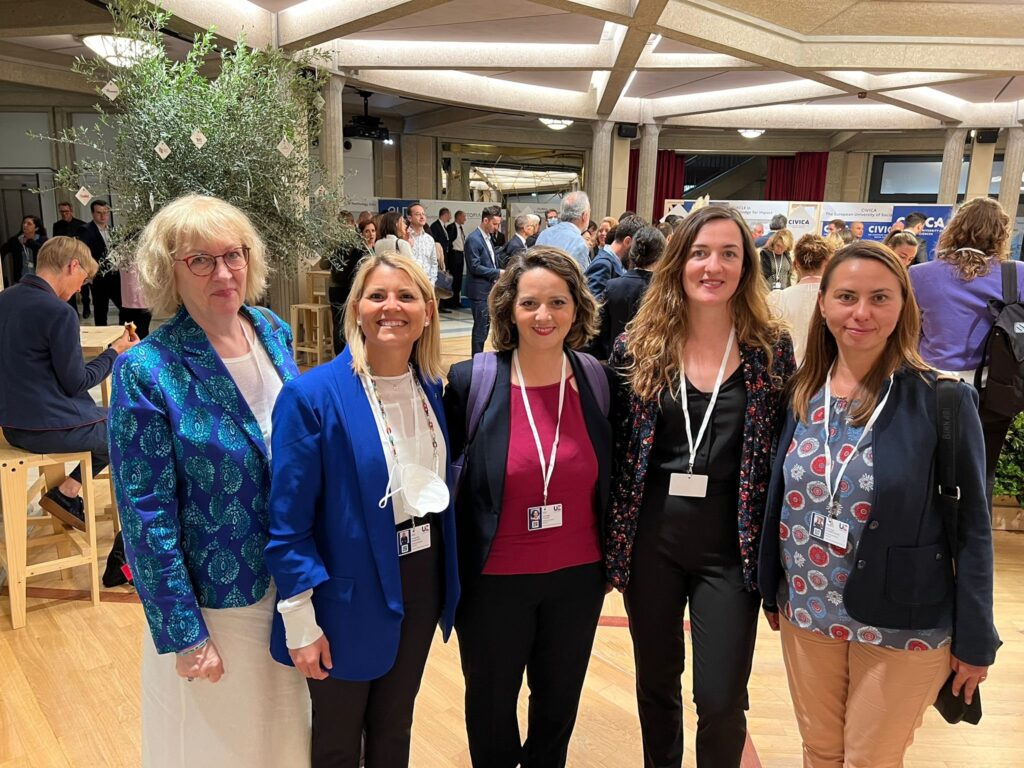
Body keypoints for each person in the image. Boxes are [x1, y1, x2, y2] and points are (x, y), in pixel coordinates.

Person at [759, 240, 1000, 767]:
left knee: (870, 759)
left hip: (903, 620)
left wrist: (976, 639)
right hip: (807, 609)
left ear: (903, 307)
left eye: (880, 298)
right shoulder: (801, 393)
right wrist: (770, 586)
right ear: (823, 303)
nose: (861, 313)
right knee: (820, 752)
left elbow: (973, 530)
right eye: (847, 296)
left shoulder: (942, 399)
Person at [107, 194, 309, 767]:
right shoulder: (147, 369)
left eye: (233, 255)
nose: (223, 273)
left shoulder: (271, 330)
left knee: (287, 739)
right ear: (168, 271)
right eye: (200, 260)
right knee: (219, 746)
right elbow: (144, 514)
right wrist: (184, 632)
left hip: (290, 586)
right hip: (215, 604)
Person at [606, 205, 795, 768]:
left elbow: (782, 452)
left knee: (720, 698)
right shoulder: (638, 346)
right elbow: (616, 447)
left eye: (729, 254)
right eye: (700, 253)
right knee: (656, 684)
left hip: (731, 551)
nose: (713, 266)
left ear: (746, 265)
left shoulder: (770, 350)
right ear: (678, 262)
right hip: (652, 546)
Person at [265, 251, 460, 767]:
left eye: (406, 296)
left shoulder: (432, 389)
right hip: (346, 593)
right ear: (355, 309)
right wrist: (299, 618)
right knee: (338, 739)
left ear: (428, 312)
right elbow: (287, 523)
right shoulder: (311, 396)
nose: (391, 307)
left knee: (395, 725)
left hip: (421, 579)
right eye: (377, 296)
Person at [444, 247, 612, 768]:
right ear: (509, 310)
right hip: (494, 581)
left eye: (558, 302)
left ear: (577, 308)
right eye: (530, 303)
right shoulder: (472, 381)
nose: (544, 316)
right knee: (491, 707)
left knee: (558, 707)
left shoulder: (597, 380)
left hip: (578, 578)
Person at [0, 236, 135, 530]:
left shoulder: (5, 299)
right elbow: (78, 382)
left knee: (113, 421)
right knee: (131, 426)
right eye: (82, 280)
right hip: (47, 427)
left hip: (12, 427)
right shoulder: (58, 311)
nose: (79, 289)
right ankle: (73, 496)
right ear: (73, 266)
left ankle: (68, 492)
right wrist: (115, 352)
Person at [910, 196, 1024, 503]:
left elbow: (907, 333)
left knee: (924, 469)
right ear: (1002, 233)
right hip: (994, 389)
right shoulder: (1018, 274)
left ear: (955, 228)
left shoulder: (919, 274)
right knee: (981, 471)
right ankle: (974, 532)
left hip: (929, 384)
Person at [594, 225, 666, 360]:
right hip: (651, 363)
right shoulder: (664, 290)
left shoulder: (612, 286)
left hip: (615, 363)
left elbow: (599, 329)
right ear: (661, 255)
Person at [767, 233, 833, 364]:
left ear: (795, 264)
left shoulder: (777, 299)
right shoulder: (837, 299)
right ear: (827, 264)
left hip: (788, 370)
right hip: (826, 369)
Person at [465, 205, 503, 355]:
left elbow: (491, 261)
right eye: (494, 224)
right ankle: (476, 359)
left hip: (488, 289)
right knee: (480, 328)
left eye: (498, 224)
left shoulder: (487, 238)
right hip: (479, 291)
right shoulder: (473, 239)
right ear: (485, 220)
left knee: (485, 327)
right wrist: (497, 272)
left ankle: (478, 357)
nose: (497, 227)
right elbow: (474, 267)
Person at [77, 199, 121, 326]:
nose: (103, 216)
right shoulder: (85, 230)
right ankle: (102, 337)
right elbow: (83, 253)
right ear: (92, 213)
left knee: (125, 308)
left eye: (105, 212)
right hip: (98, 277)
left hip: (115, 275)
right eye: (99, 213)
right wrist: (89, 273)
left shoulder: (112, 230)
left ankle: (125, 334)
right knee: (101, 312)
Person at [54, 202, 90, 316]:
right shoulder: (57, 225)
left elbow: (85, 243)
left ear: (71, 211)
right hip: (66, 258)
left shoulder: (81, 225)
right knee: (69, 284)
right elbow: (56, 242)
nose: (64, 214)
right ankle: (74, 310)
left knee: (83, 285)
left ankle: (86, 306)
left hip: (79, 257)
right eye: (62, 212)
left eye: (66, 211)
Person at [1, 214, 46, 286]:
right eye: (24, 223)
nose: (25, 225)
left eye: (29, 224)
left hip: (38, 279)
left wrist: (29, 242)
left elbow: (42, 250)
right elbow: (2, 251)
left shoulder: (42, 240)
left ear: (36, 228)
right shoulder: (15, 240)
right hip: (21, 279)